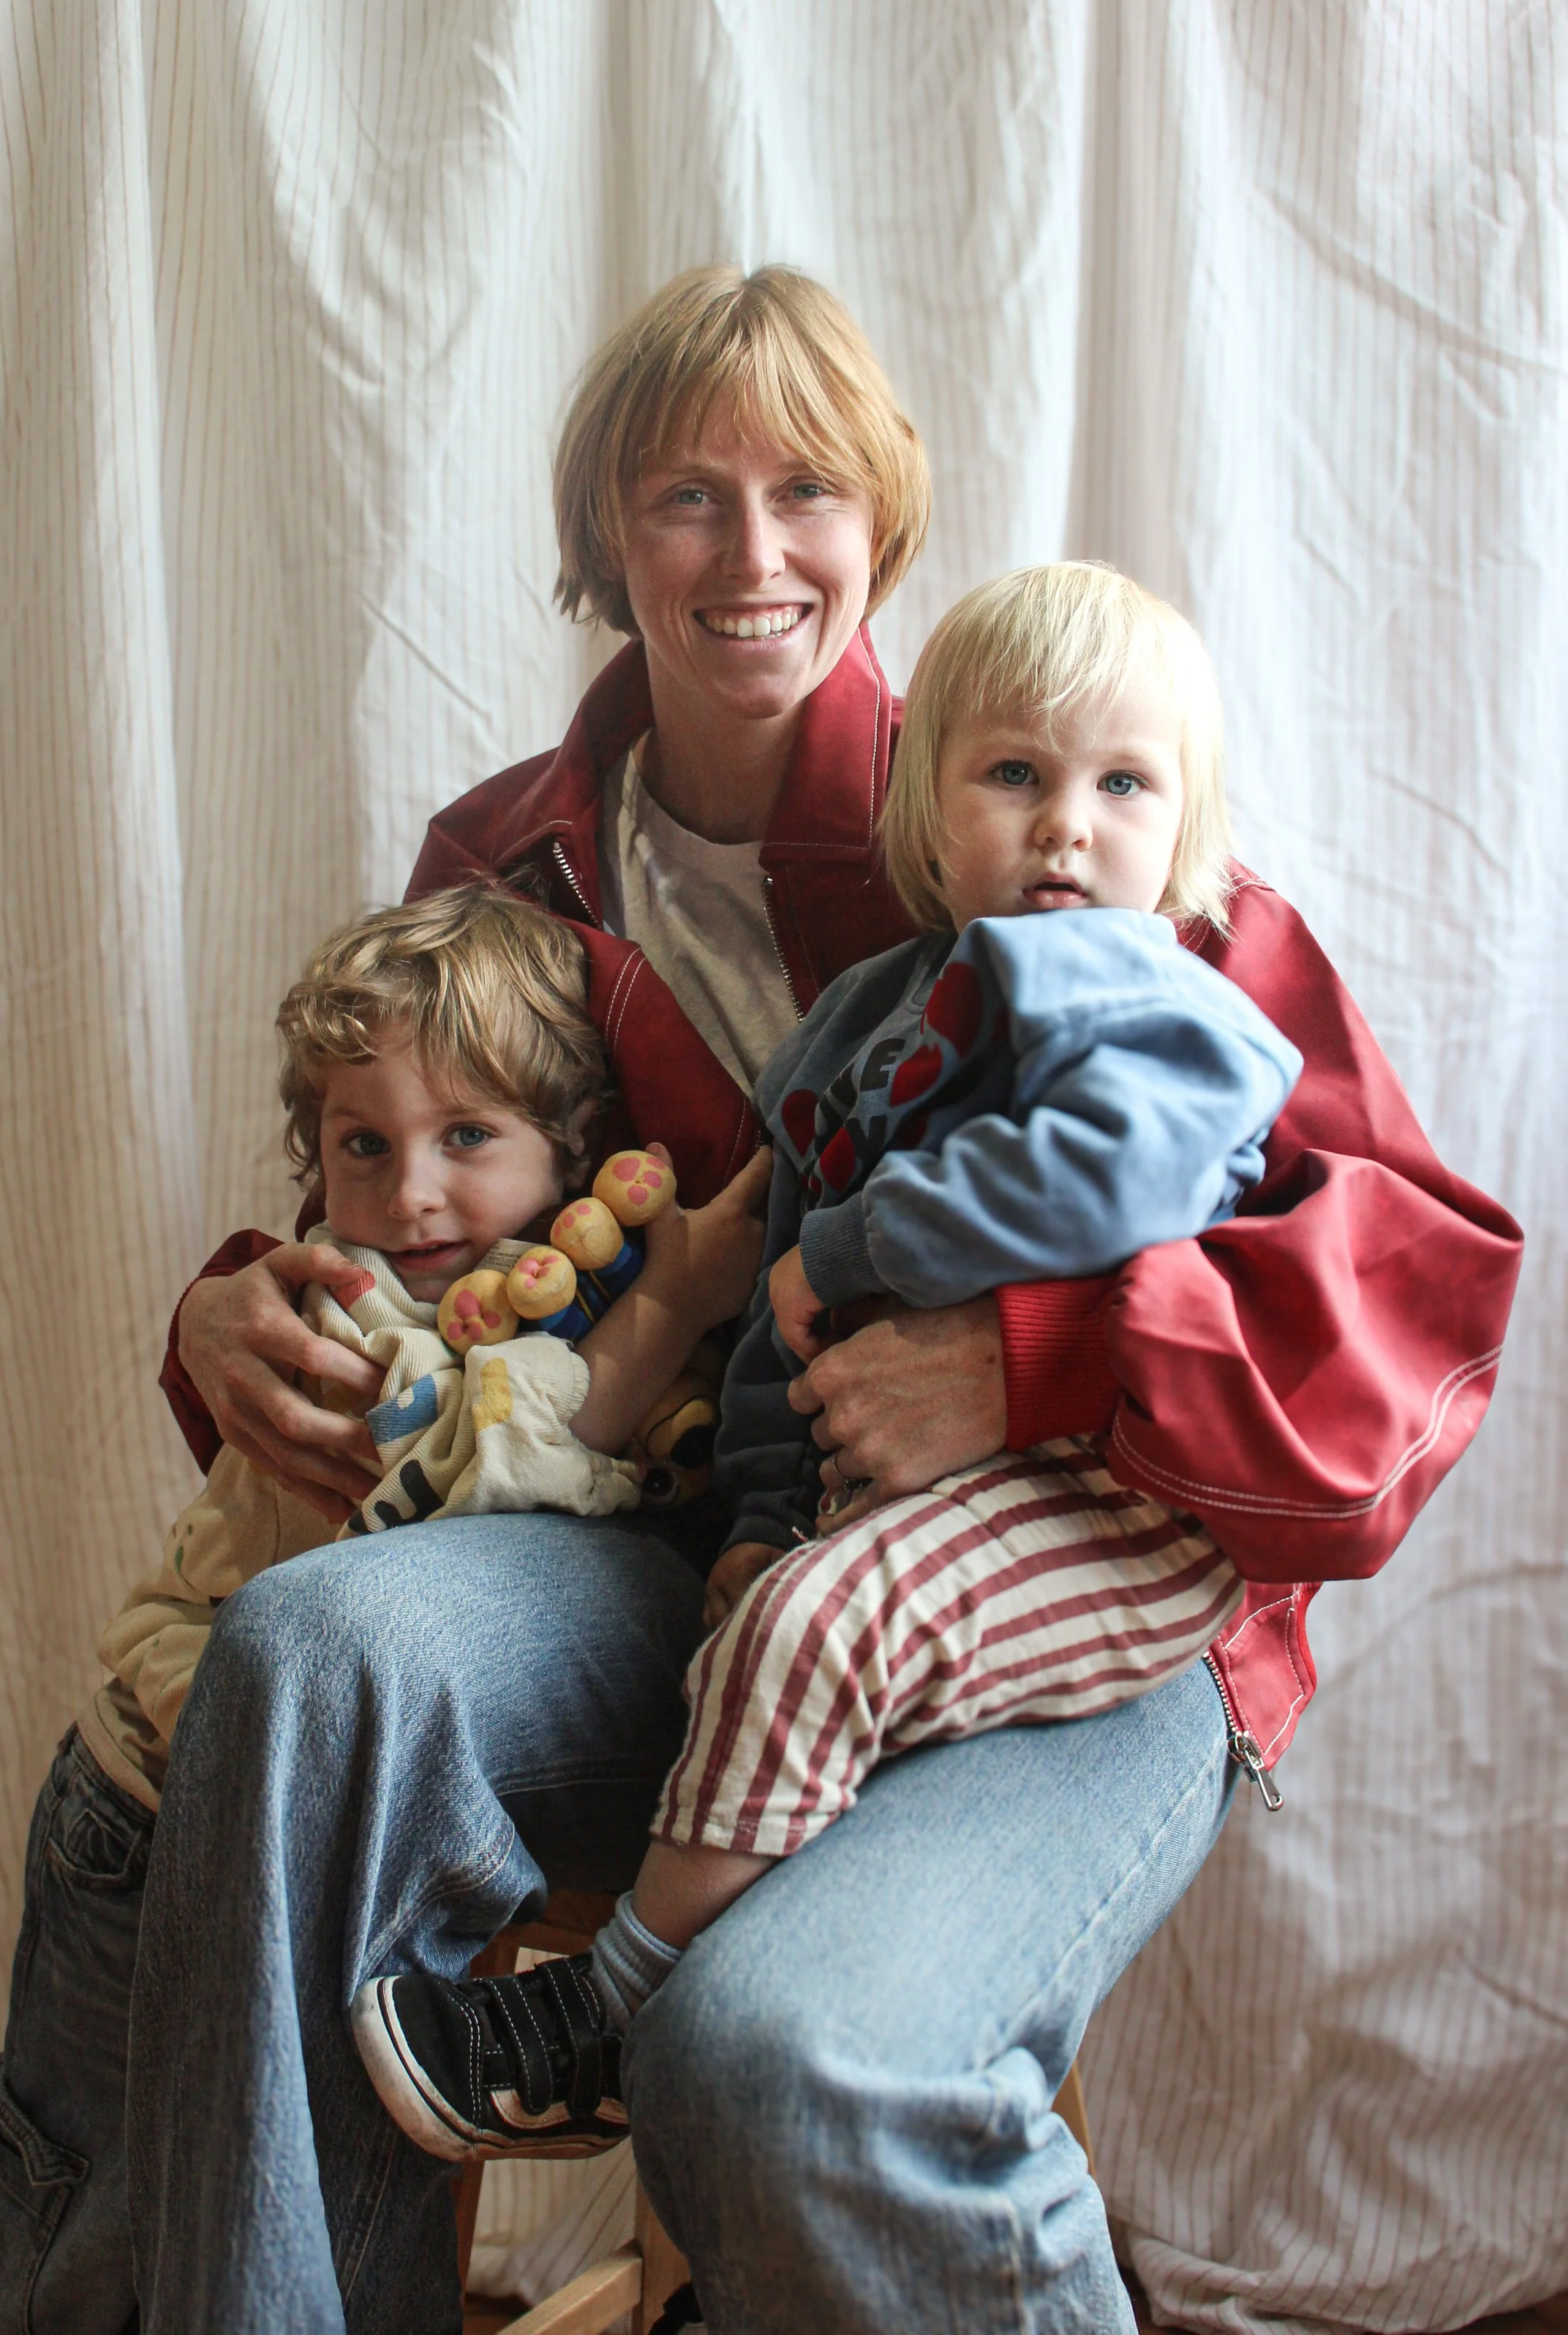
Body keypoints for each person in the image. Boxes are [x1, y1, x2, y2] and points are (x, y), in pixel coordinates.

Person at [131, 267, 1520, 2334]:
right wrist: (233, 1316)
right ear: (603, 536)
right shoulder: (506, 861)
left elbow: (1400, 1305)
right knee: (308, 1647)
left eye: (805, 487)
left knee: (772, 2051)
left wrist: (1032, 1354)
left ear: (883, 523)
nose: (750, 548)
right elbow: (420, 1194)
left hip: (1073, 1584)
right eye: (683, 492)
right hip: (682, 1552)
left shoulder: (1064, 811)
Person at [348, 562, 1305, 2159]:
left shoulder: (1153, 996)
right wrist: (748, 1515)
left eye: (1120, 784)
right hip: (895, 1501)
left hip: (1112, 1507)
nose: (1066, 825)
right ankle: (731, 2238)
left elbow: (1107, 1182)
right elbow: (784, 1332)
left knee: (814, 1626)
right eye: (1013, 775)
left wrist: (860, 1247)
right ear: (927, 816)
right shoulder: (854, 1029)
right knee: (752, 1635)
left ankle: (607, 2009)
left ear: (1182, 836)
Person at [0, 883, 769, 2335]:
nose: (408, 1194)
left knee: (274, 2171)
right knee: (84, 2215)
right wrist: (668, 1309)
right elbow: (466, 1478)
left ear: (570, 1154)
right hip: (138, 1817)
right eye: (361, 1146)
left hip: (303, 1809)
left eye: (467, 1139)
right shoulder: (356, 1324)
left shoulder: (540, 1303)